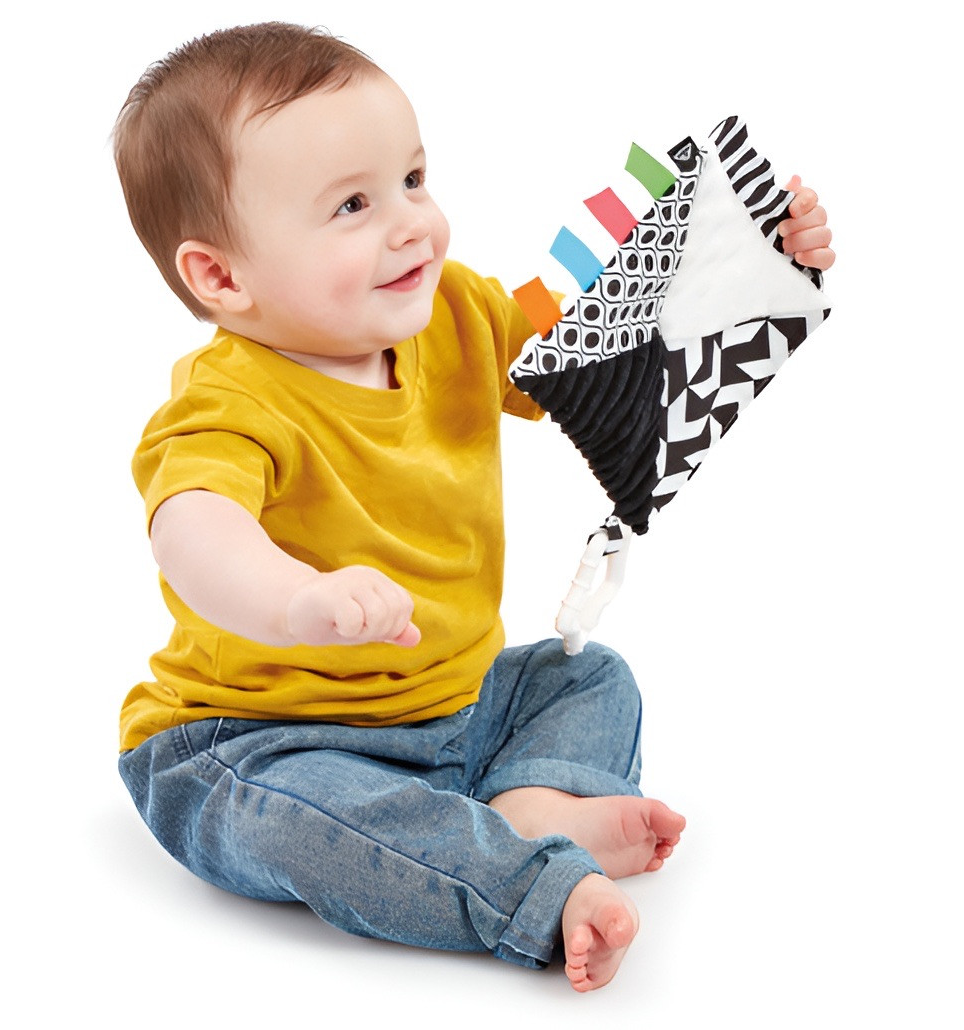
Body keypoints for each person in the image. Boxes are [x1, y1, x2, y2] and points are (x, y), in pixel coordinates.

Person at [112, 22, 834, 993]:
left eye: (413, 178)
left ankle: (531, 801)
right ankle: (525, 884)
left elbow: (585, 336)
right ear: (220, 276)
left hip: (456, 707)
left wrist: (748, 267)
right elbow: (193, 529)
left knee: (587, 678)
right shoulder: (227, 403)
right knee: (307, 816)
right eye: (354, 205)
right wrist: (294, 600)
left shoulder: (452, 311)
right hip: (256, 738)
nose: (412, 223)